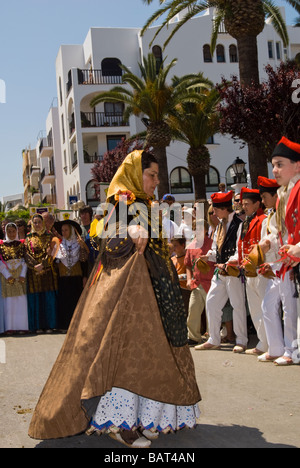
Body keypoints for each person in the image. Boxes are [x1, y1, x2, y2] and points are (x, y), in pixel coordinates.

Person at [28, 150, 201, 448]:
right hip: (123, 297)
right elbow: (105, 237)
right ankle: (119, 424)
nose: (156, 181)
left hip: (152, 294)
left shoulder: (148, 205)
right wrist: (130, 228)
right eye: (151, 175)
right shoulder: (121, 201)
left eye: (157, 176)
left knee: (150, 356)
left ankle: (143, 419)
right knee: (123, 355)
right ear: (135, 173)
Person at [261, 137, 300, 364]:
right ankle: (287, 349)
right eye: (273, 164)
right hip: (288, 259)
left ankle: (291, 351)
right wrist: (267, 243)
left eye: (280, 164)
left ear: (297, 165)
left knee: (291, 309)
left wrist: (297, 247)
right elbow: (279, 231)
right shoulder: (283, 194)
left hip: (293, 257)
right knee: (286, 307)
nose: (274, 170)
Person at [196, 191, 248, 353]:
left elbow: (240, 249)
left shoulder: (239, 223)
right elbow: (215, 250)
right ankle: (214, 339)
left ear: (224, 208)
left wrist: (228, 262)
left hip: (232, 271)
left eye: (215, 209)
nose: (213, 213)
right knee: (211, 302)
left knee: (237, 304)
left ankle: (241, 340)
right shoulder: (219, 225)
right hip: (220, 272)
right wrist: (207, 257)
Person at [229, 188, 268, 355]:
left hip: (261, 270)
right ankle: (263, 342)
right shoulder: (244, 223)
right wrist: (232, 260)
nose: (243, 207)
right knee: (254, 309)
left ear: (257, 204)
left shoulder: (264, 220)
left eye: (247, 204)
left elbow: (266, 245)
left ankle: (270, 344)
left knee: (266, 308)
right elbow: (240, 246)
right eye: (242, 204)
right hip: (248, 270)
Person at [24, 214, 59, 333]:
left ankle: (50, 325)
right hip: (34, 273)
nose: (37, 225)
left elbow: (53, 252)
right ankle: (38, 326)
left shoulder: (50, 236)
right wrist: (35, 266)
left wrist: (43, 265)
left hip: (48, 271)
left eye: (39, 222)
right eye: (35, 222)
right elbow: (26, 254)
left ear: (43, 223)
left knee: (48, 298)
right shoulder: (28, 238)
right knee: (36, 299)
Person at [55, 220, 89, 331]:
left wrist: (85, 276)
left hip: (76, 278)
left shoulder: (79, 244)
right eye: (62, 230)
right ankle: (65, 325)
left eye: (66, 230)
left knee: (76, 301)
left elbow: (84, 261)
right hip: (63, 278)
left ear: (71, 231)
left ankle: (77, 325)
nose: (63, 232)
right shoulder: (59, 245)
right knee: (64, 302)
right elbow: (55, 262)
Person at [185, 220, 214, 346]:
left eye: (200, 228)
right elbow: (187, 265)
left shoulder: (212, 244)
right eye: (195, 228)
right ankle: (193, 337)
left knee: (211, 312)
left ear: (206, 230)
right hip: (197, 284)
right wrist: (188, 279)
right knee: (193, 310)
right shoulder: (191, 245)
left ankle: (212, 336)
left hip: (210, 283)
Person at [0, 223, 28, 334]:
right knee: (9, 302)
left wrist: (22, 274)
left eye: (13, 231)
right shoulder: (1, 245)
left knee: (21, 301)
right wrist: (7, 275)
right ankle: (10, 327)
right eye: (9, 231)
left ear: (17, 232)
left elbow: (25, 260)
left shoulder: (22, 244)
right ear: (5, 232)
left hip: (20, 275)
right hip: (7, 276)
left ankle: (22, 327)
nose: (11, 234)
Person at [171, 237, 190, 315]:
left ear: (183, 245)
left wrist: (178, 277)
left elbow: (190, 275)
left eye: (176, 245)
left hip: (185, 290)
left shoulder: (188, 258)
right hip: (174, 290)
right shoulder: (172, 259)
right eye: (173, 245)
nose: (173, 248)